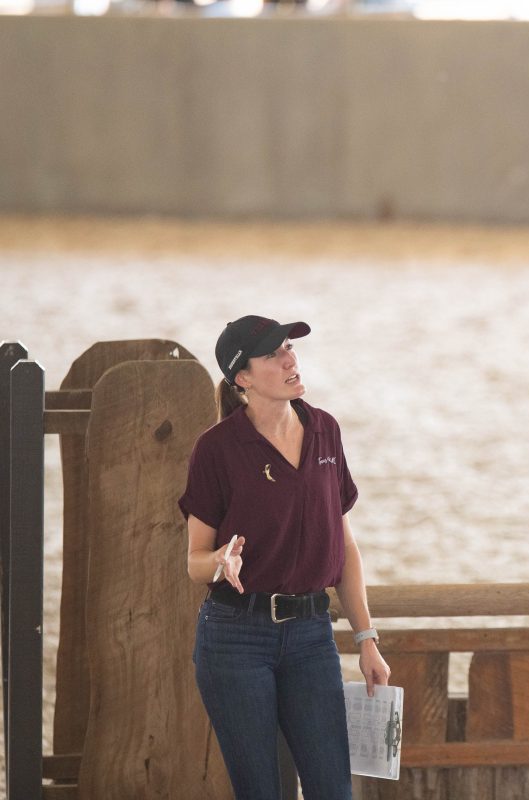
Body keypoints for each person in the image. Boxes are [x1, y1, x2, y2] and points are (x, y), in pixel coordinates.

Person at [180, 315, 390, 799]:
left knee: (332, 790)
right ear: (242, 378)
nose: (290, 359)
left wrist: (366, 638)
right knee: (262, 793)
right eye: (273, 354)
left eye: (290, 348)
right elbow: (194, 560)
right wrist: (220, 561)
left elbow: (345, 546)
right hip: (235, 640)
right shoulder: (216, 449)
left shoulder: (325, 431)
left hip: (311, 638)